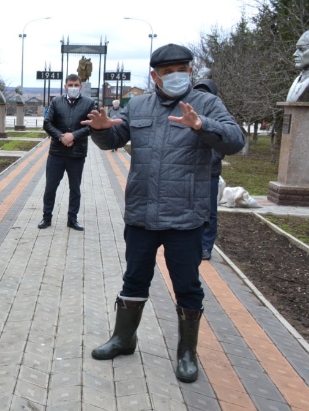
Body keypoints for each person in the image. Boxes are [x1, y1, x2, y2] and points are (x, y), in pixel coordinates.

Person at [84, 44, 244, 383]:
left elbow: (234, 140)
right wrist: (100, 130)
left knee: (187, 285)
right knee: (134, 277)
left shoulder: (206, 103)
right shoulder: (138, 104)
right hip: (141, 212)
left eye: (182, 69)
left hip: (184, 216)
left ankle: (187, 351)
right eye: (168, 71)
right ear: (155, 75)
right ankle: (124, 338)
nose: (176, 76)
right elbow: (115, 137)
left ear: (190, 70)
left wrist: (202, 125)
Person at [38, 74, 97, 231]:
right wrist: (60, 136)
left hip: (77, 153)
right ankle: (46, 217)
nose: (73, 87)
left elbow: (93, 126)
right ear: (65, 86)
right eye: (70, 85)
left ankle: (72, 219)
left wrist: (74, 136)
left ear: (80, 86)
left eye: (76, 85)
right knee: (50, 187)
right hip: (57, 152)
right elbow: (47, 123)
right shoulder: (56, 102)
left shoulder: (89, 103)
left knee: (75, 188)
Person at [193, 79, 224, 260]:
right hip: (189, 173)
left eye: (206, 93)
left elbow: (221, 147)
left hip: (210, 173)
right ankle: (193, 243)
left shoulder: (218, 115)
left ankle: (206, 246)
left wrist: (203, 162)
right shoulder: (188, 114)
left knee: (210, 212)